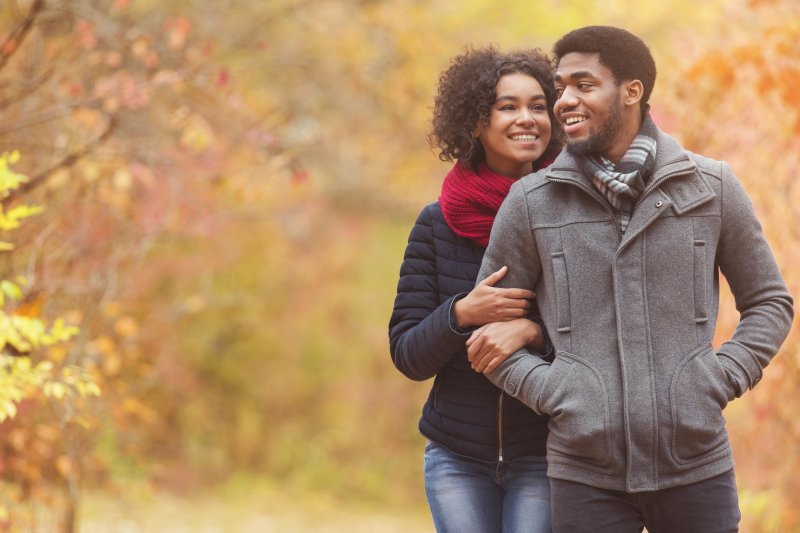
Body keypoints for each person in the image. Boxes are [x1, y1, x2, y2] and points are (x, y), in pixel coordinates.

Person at [477, 26, 794, 533]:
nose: (565, 101)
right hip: (584, 474)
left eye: (583, 84)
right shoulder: (532, 202)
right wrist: (558, 393)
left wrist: (716, 380)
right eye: (561, 87)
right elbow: (490, 328)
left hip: (696, 464)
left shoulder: (711, 187)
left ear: (632, 90)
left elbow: (770, 303)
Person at [389, 46, 561, 533]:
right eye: (508, 106)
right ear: (475, 123)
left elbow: (604, 335)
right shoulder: (436, 223)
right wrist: (461, 312)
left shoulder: (573, 215)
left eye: (538, 105)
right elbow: (407, 355)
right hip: (455, 458)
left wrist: (532, 332)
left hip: (545, 454)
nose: (526, 118)